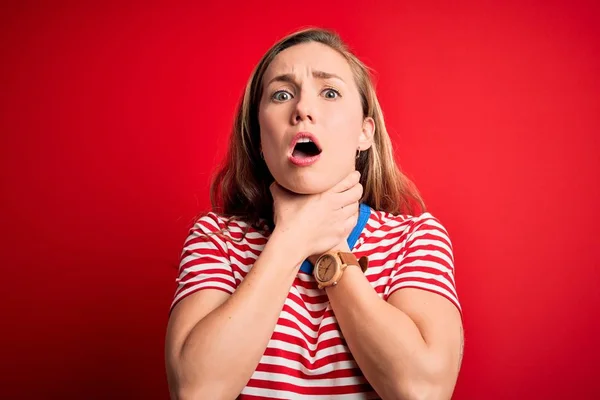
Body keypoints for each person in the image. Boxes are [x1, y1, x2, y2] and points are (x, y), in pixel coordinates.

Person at [165, 27, 464, 400]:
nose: (303, 109)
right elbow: (196, 391)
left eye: (330, 92)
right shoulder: (216, 240)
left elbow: (422, 391)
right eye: (282, 94)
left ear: (364, 133)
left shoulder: (416, 239)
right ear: (260, 138)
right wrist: (290, 239)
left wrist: (330, 243)